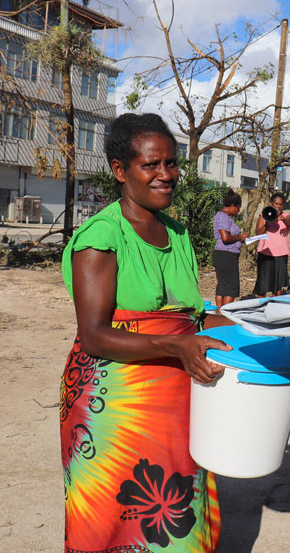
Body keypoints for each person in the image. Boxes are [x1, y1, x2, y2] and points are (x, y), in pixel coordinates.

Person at [60, 113, 232, 552]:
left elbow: (189, 316)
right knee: (116, 520)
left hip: (177, 399)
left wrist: (255, 325)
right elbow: (95, 334)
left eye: (171, 164)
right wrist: (175, 344)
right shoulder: (101, 236)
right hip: (115, 406)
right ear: (120, 171)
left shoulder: (176, 232)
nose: (166, 175)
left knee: (175, 516)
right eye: (151, 165)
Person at [212, 188, 248, 309]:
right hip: (226, 255)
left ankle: (220, 313)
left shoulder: (223, 217)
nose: (238, 211)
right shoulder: (223, 217)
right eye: (238, 208)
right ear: (232, 205)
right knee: (230, 288)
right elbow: (225, 238)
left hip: (223, 255)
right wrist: (240, 237)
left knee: (222, 286)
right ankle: (224, 315)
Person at [253, 192, 290, 297]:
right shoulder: (264, 215)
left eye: (280, 204)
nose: (278, 206)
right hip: (265, 253)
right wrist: (268, 222)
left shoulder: (286, 216)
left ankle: (275, 305)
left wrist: (282, 218)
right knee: (263, 283)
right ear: (272, 204)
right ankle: (260, 305)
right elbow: (258, 233)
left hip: (280, 254)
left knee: (278, 285)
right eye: (276, 204)